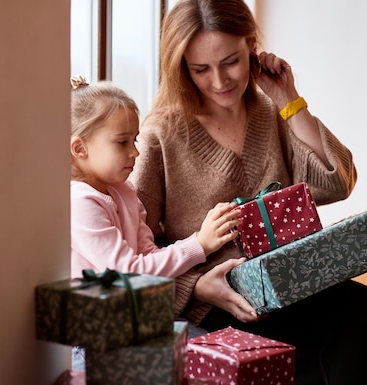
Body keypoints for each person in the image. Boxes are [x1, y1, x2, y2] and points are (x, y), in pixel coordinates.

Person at [131, 0, 367, 385]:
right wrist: (195, 288)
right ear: (181, 69)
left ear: (252, 46)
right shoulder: (161, 133)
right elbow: (136, 250)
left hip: (291, 281)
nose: (220, 81)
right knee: (319, 352)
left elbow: (336, 182)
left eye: (231, 61)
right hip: (225, 297)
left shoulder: (269, 110)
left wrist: (288, 99)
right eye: (200, 69)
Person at [69, 75, 242, 279]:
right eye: (122, 142)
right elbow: (126, 272)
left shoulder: (124, 191)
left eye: (134, 140)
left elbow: (149, 256)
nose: (135, 152)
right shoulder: (80, 203)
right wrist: (200, 244)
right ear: (80, 148)